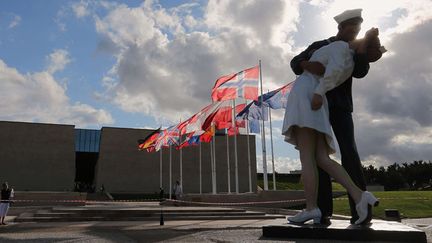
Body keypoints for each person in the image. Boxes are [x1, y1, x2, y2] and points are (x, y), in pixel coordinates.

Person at [282, 24, 385, 225]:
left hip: (329, 103)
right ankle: (328, 207)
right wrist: (307, 64)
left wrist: (363, 50)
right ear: (342, 27)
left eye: (358, 31)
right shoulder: (324, 45)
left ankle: (322, 208)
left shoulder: (351, 52)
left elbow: (360, 71)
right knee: (320, 158)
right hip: (318, 101)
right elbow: (296, 61)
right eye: (353, 29)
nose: (354, 33)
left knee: (343, 154)